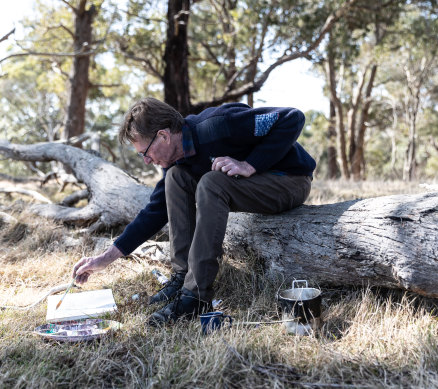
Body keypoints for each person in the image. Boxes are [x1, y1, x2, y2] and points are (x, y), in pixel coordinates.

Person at [72, 97, 316, 326]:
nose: (146, 161)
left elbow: (292, 118)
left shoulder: (219, 125)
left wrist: (250, 164)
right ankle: (183, 277)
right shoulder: (178, 162)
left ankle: (195, 297)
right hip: (254, 187)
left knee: (212, 182)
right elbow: (155, 211)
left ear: (163, 136)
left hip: (289, 180)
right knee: (176, 179)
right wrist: (106, 258)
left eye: (145, 153)